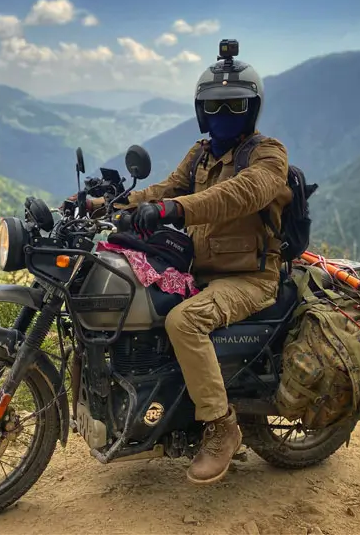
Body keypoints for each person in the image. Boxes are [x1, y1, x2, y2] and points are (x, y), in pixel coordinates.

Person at [78, 52, 291, 485]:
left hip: (251, 278)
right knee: (136, 301)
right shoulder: (201, 154)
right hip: (202, 271)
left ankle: (221, 426)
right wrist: (109, 205)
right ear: (200, 110)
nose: (223, 114)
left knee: (185, 321)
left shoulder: (268, 156)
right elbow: (163, 189)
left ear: (251, 109)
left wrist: (173, 210)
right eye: (213, 105)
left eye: (233, 105)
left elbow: (239, 195)